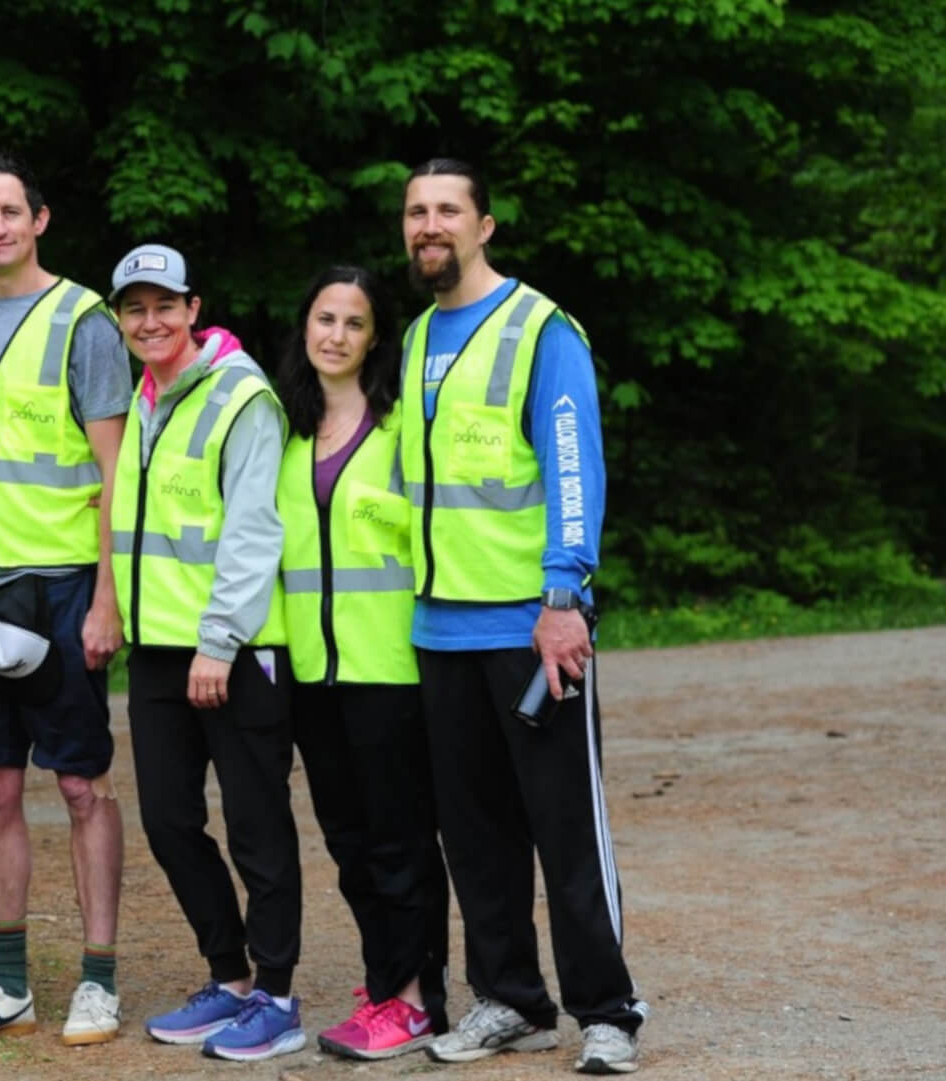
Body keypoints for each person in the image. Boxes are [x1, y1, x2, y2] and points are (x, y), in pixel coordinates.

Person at [397, 159, 646, 1074]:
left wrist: (561, 596)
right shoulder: (418, 335)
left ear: (485, 224)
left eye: (447, 211)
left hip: (529, 629)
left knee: (565, 829)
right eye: (416, 212)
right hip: (439, 631)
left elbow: (572, 469)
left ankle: (608, 1010)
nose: (430, 226)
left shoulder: (540, 329)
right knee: (475, 838)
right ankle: (510, 999)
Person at [0, 154, 130, 1048]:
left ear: (39, 219)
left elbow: (115, 471)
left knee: (82, 784)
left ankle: (98, 978)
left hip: (60, 585)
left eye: (13, 210)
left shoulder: (83, 319)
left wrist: (107, 600)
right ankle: (8, 983)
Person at [103, 245, 303, 1063]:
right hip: (155, 648)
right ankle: (229, 977)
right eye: (133, 309)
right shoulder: (141, 395)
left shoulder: (240, 393)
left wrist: (218, 639)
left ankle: (279, 993)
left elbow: (253, 529)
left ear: (193, 308)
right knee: (168, 821)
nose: (149, 322)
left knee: (257, 826)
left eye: (163, 306)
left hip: (233, 648)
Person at [274, 265, 451, 1060]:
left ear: (374, 336)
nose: (335, 335)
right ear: (304, 328)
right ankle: (389, 981)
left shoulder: (402, 428)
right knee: (347, 840)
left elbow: (439, 537)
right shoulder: (284, 430)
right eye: (323, 319)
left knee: (399, 839)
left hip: (390, 668)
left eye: (352, 322)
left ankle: (415, 999)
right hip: (314, 673)